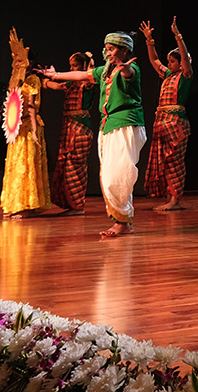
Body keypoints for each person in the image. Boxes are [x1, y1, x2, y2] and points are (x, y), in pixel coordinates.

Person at [41, 32, 145, 239]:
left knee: (119, 175)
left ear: (124, 50)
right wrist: (55, 75)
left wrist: (125, 68)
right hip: (107, 126)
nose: (108, 53)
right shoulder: (104, 71)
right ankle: (123, 220)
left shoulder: (131, 69)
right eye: (107, 49)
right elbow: (81, 75)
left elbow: (129, 73)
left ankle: (123, 221)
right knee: (107, 177)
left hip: (126, 124)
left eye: (112, 49)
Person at [0, 29, 60, 217]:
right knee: (16, 164)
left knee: (28, 165)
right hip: (18, 128)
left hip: (30, 126)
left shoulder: (33, 79)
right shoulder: (15, 81)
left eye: (21, 60)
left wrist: (34, 131)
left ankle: (29, 207)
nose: (17, 63)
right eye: (15, 60)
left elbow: (32, 107)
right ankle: (15, 203)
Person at [139, 18, 193, 211]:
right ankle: (170, 197)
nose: (169, 64)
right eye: (169, 61)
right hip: (162, 122)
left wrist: (177, 35)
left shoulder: (185, 76)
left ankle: (175, 200)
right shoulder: (168, 75)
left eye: (172, 61)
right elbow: (154, 60)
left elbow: (185, 58)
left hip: (176, 124)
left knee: (175, 161)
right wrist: (149, 40)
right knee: (164, 161)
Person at [44, 50, 96, 214]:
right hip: (68, 128)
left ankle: (78, 206)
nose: (72, 69)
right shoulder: (70, 84)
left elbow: (89, 75)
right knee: (65, 166)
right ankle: (69, 204)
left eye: (75, 66)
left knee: (76, 167)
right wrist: (43, 80)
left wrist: (90, 63)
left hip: (80, 129)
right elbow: (55, 85)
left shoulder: (86, 83)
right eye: (71, 66)